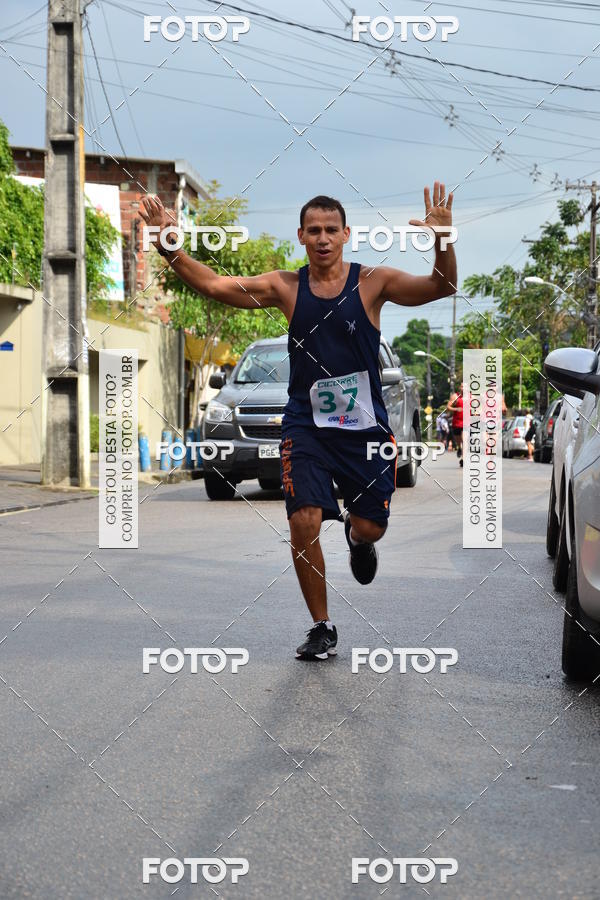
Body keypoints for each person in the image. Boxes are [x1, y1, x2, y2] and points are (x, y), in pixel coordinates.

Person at [140, 183, 457, 660]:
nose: (323, 238)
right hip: (306, 426)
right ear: (301, 236)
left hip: (363, 429)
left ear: (346, 234)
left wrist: (444, 240)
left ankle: (358, 538)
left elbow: (441, 287)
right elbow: (213, 285)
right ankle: (322, 626)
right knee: (303, 520)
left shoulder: (374, 283)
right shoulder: (285, 287)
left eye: (331, 229)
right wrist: (169, 245)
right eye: (314, 230)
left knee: (370, 526)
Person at [447, 387, 464, 466]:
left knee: (464, 440)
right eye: (462, 386)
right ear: (460, 387)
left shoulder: (472, 396)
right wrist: (456, 409)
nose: (464, 388)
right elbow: (448, 407)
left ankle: (463, 459)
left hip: (467, 422)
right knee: (458, 440)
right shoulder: (455, 396)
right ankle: (459, 448)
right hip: (457, 422)